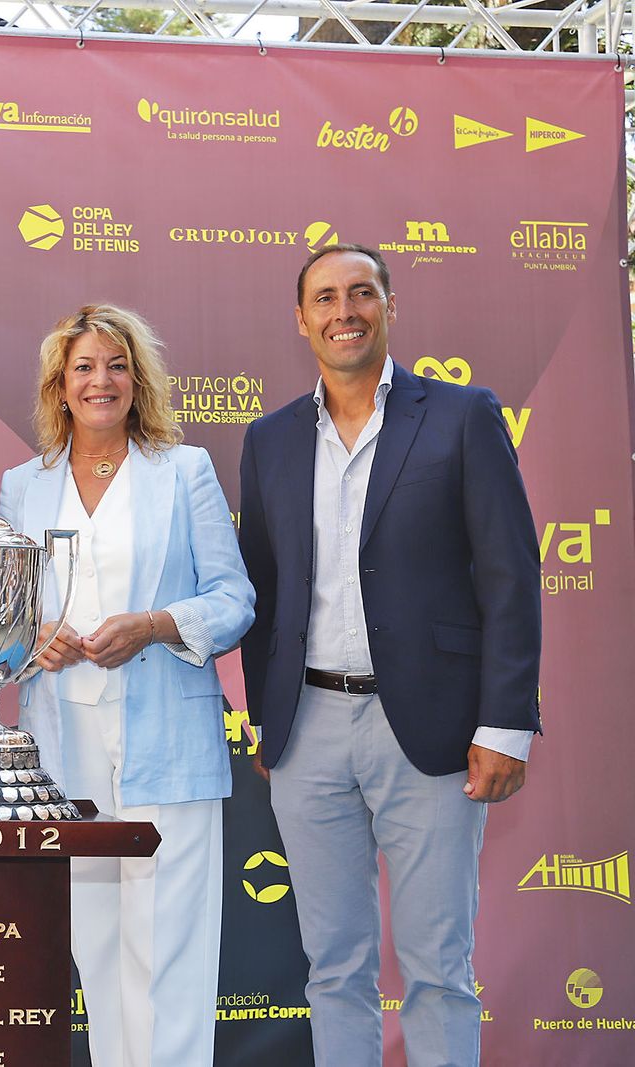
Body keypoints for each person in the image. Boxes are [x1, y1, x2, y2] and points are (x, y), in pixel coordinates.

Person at [238, 245, 541, 1067]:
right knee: (334, 965)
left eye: (362, 293)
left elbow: (512, 577)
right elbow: (261, 594)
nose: (346, 311)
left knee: (440, 967)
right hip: (309, 730)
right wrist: (271, 725)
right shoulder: (268, 441)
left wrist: (506, 724)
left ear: (389, 306)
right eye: (326, 297)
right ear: (302, 320)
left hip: (434, 729)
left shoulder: (462, 414)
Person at [0, 305, 254, 1067]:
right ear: (60, 384)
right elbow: (3, 615)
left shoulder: (184, 471)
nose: (100, 380)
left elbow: (233, 598)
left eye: (116, 365)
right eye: (84, 367)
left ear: (138, 381)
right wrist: (27, 639)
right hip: (61, 746)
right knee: (94, 943)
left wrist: (154, 624)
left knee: (169, 947)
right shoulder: (22, 485)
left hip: (166, 740)